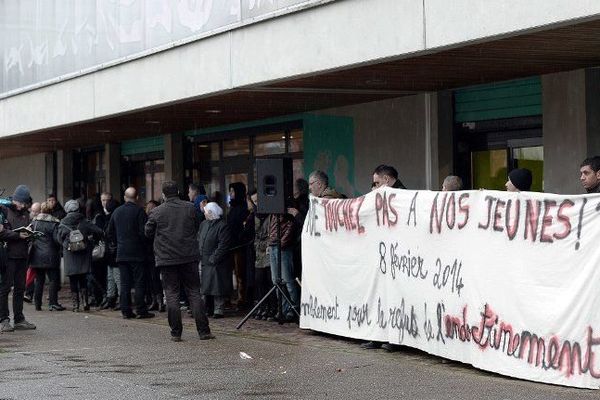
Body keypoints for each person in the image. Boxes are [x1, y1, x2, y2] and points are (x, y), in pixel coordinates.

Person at [145, 181, 214, 342]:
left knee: (171, 294)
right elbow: (197, 225)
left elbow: (147, 232)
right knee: (194, 293)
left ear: (163, 195)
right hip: (188, 256)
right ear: (178, 192)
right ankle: (203, 331)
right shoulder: (190, 207)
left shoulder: (157, 211)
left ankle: (176, 332)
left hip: (167, 258)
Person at [107, 187, 154, 319]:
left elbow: (109, 232)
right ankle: (141, 310)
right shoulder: (139, 211)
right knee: (139, 282)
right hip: (137, 253)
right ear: (137, 197)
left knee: (125, 283)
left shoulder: (117, 212)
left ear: (124, 197)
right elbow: (144, 233)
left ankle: (126, 310)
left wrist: (117, 244)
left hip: (122, 253)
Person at [55, 199, 103, 312]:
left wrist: (66, 246)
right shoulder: (84, 221)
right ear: (78, 208)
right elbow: (99, 231)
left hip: (70, 254)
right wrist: (90, 241)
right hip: (84, 253)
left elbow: (58, 239)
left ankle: (76, 306)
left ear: (67, 210)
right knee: (83, 279)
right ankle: (85, 303)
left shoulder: (62, 223)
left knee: (73, 280)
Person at [0, 185, 36, 332]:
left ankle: (19, 319)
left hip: (22, 255)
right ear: (14, 199)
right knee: (5, 288)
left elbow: (27, 228)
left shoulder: (26, 214)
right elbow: (1, 233)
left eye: (24, 203)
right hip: (8, 255)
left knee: (20, 288)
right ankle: (3, 319)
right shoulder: (4, 210)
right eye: (19, 202)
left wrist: (31, 233)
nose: (21, 205)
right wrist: (17, 235)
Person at [198, 202, 234, 319]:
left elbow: (223, 244)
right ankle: (207, 308)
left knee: (217, 287)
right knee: (205, 286)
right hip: (204, 259)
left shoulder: (222, 226)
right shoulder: (203, 224)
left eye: (206, 212)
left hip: (217, 262)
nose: (204, 214)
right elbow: (199, 238)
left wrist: (214, 257)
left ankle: (218, 309)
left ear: (210, 213)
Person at [29, 202, 64, 311]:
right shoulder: (54, 223)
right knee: (53, 280)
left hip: (37, 256)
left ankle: (37, 304)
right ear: (51, 211)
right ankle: (53, 303)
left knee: (39, 280)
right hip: (51, 256)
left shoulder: (34, 222)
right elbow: (57, 240)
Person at [268, 208, 299, 323]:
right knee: (276, 280)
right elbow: (271, 228)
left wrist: (282, 243)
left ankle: (294, 308)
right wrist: (270, 243)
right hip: (273, 246)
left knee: (287, 280)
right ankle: (283, 308)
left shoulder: (287, 212)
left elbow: (290, 227)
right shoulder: (272, 213)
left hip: (283, 248)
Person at [227, 182, 249, 310]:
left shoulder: (243, 208)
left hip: (239, 246)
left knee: (241, 273)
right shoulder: (232, 207)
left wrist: (239, 238)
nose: (230, 194)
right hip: (231, 245)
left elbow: (243, 227)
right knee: (233, 273)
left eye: (232, 191)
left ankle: (242, 298)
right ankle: (233, 297)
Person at [145, 200, 164, 312]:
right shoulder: (152, 219)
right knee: (154, 278)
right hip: (154, 252)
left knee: (154, 278)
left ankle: (158, 301)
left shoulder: (150, 220)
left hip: (154, 252)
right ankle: (157, 300)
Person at [23, 202, 42, 303]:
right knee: (30, 272)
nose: (34, 213)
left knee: (37, 275)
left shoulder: (40, 221)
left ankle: (30, 294)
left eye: (36, 211)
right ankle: (28, 294)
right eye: (33, 211)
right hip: (30, 250)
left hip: (38, 251)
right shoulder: (29, 219)